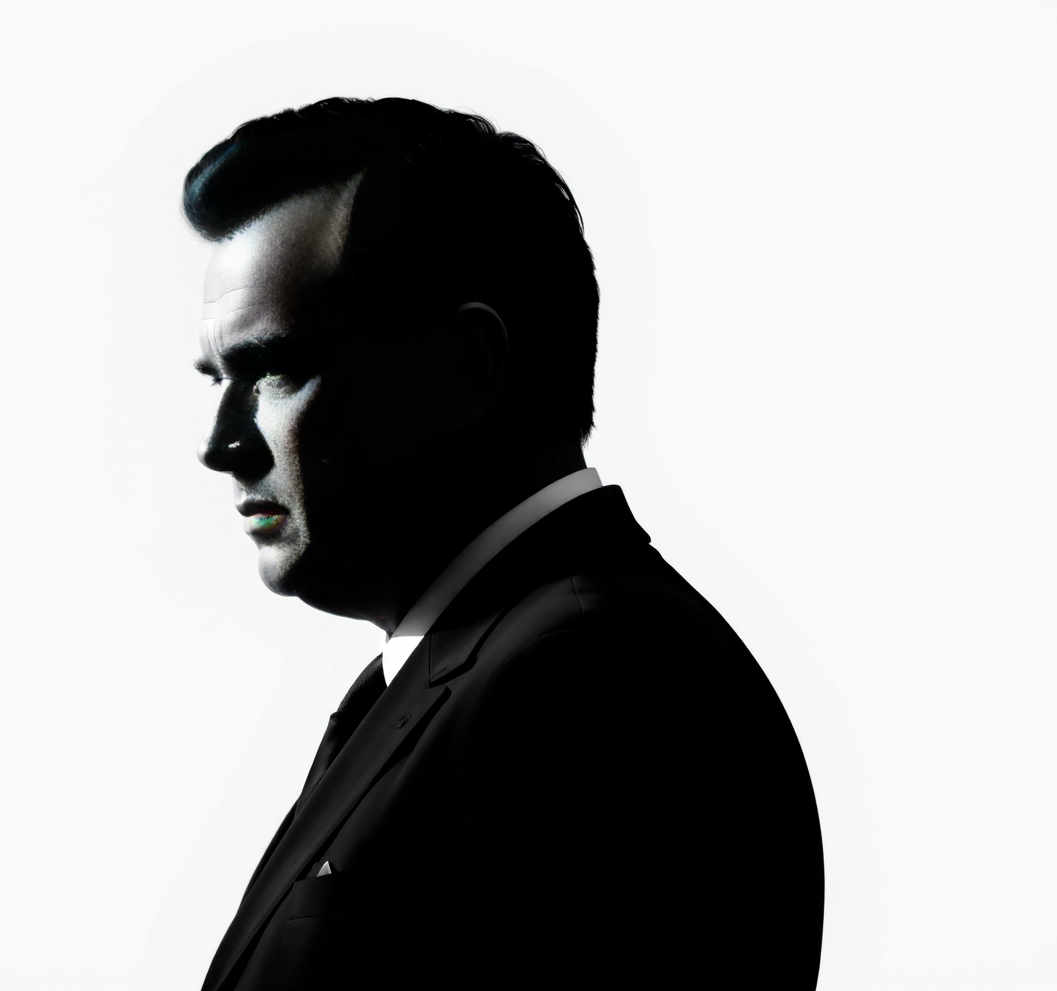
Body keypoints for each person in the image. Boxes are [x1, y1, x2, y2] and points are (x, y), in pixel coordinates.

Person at [185, 97, 823, 990]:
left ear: (463, 370)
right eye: (218, 380)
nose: (220, 444)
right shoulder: (478, 666)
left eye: (276, 369)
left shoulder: (587, 674)